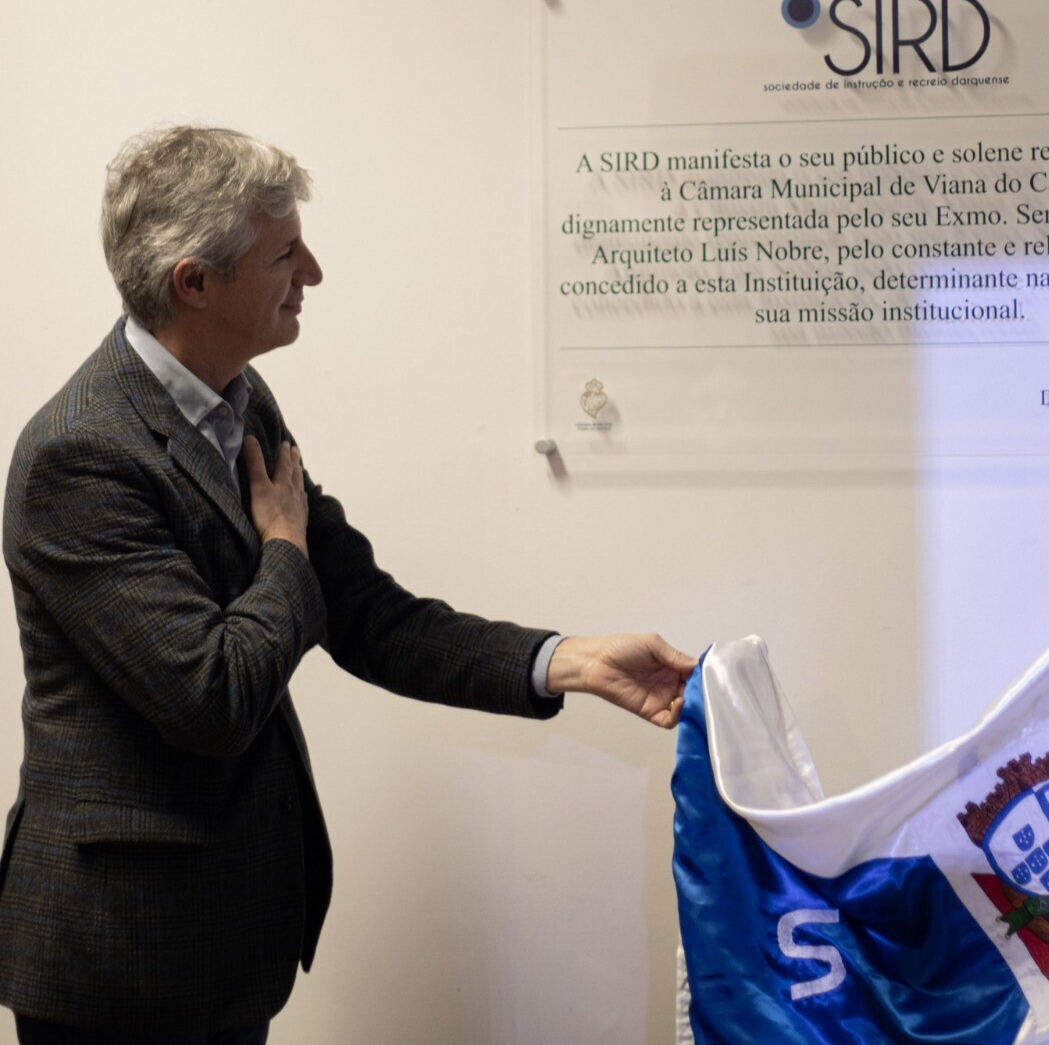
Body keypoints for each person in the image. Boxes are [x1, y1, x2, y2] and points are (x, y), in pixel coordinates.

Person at [0, 126, 695, 1045]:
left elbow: (368, 614)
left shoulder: (238, 396)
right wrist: (284, 547)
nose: (313, 273)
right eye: (284, 255)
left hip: (222, 945)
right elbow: (214, 697)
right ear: (193, 282)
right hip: (121, 961)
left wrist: (570, 661)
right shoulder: (79, 457)